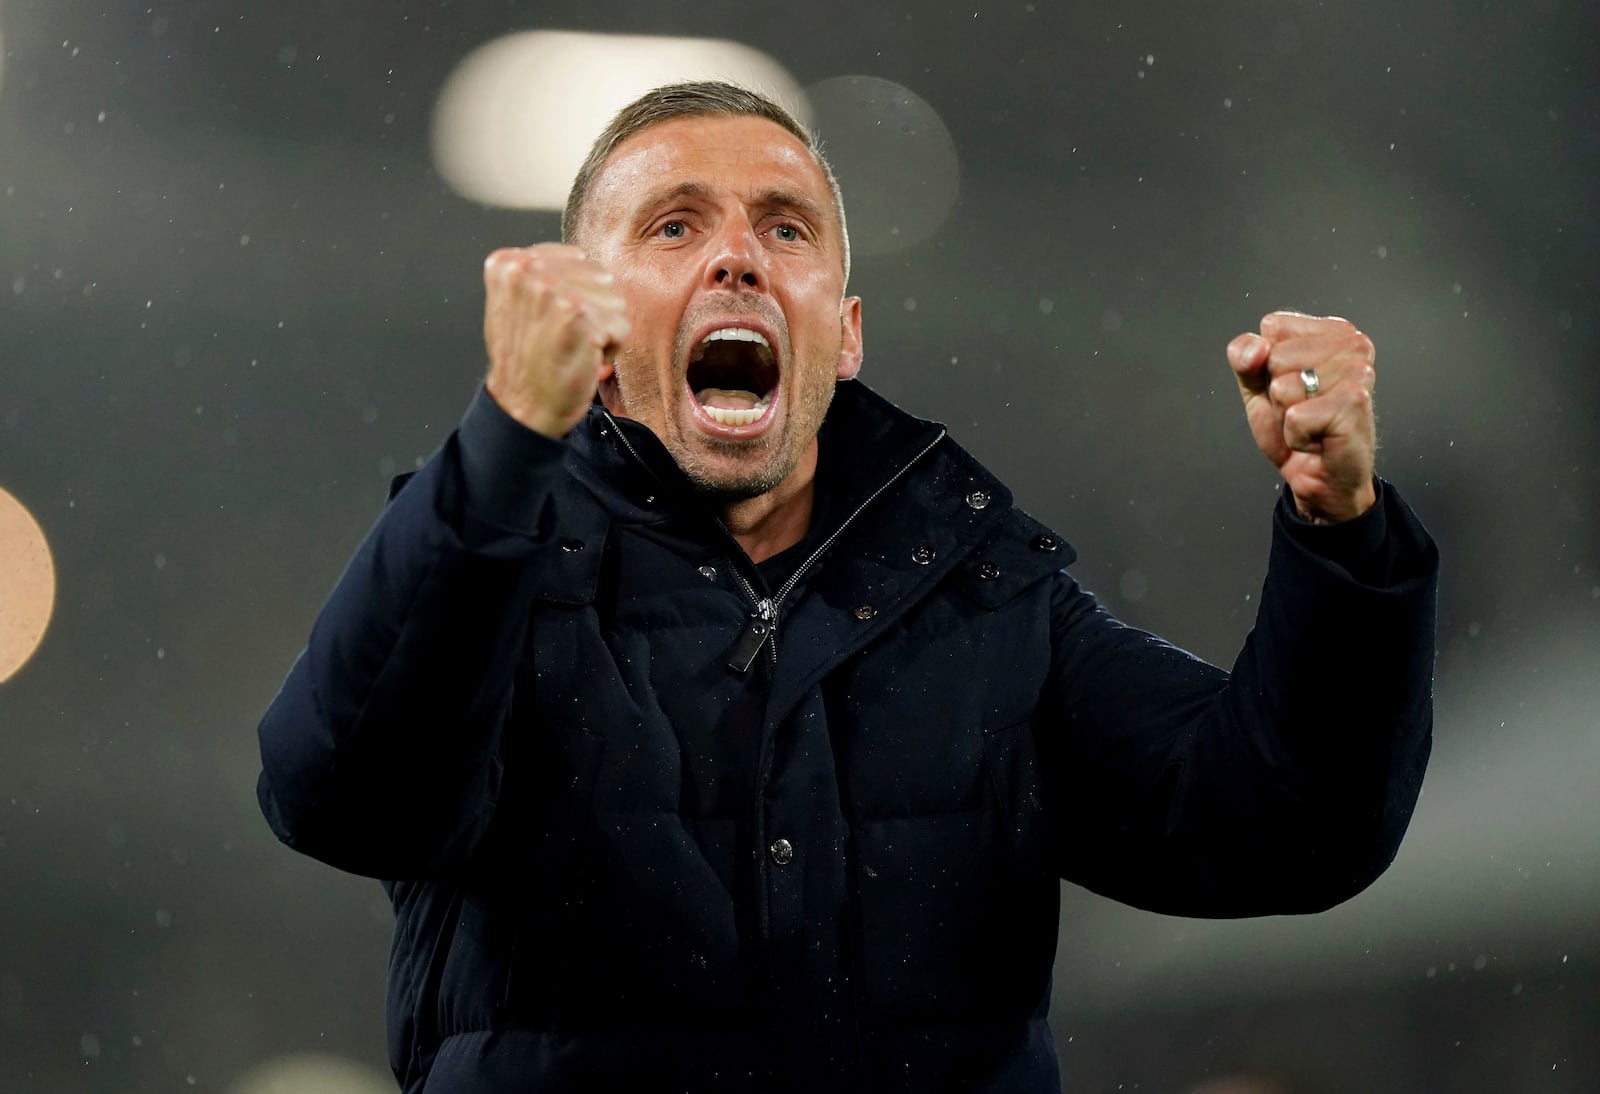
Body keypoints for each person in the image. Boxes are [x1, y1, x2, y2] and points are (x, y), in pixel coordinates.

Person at [256, 81, 1438, 1094]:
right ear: (596, 329)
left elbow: (1290, 824)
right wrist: (503, 445)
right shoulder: (487, 566)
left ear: (848, 330)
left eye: (785, 229)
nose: (736, 256)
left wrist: (1340, 529)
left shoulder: (987, 595)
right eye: (673, 228)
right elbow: (346, 796)